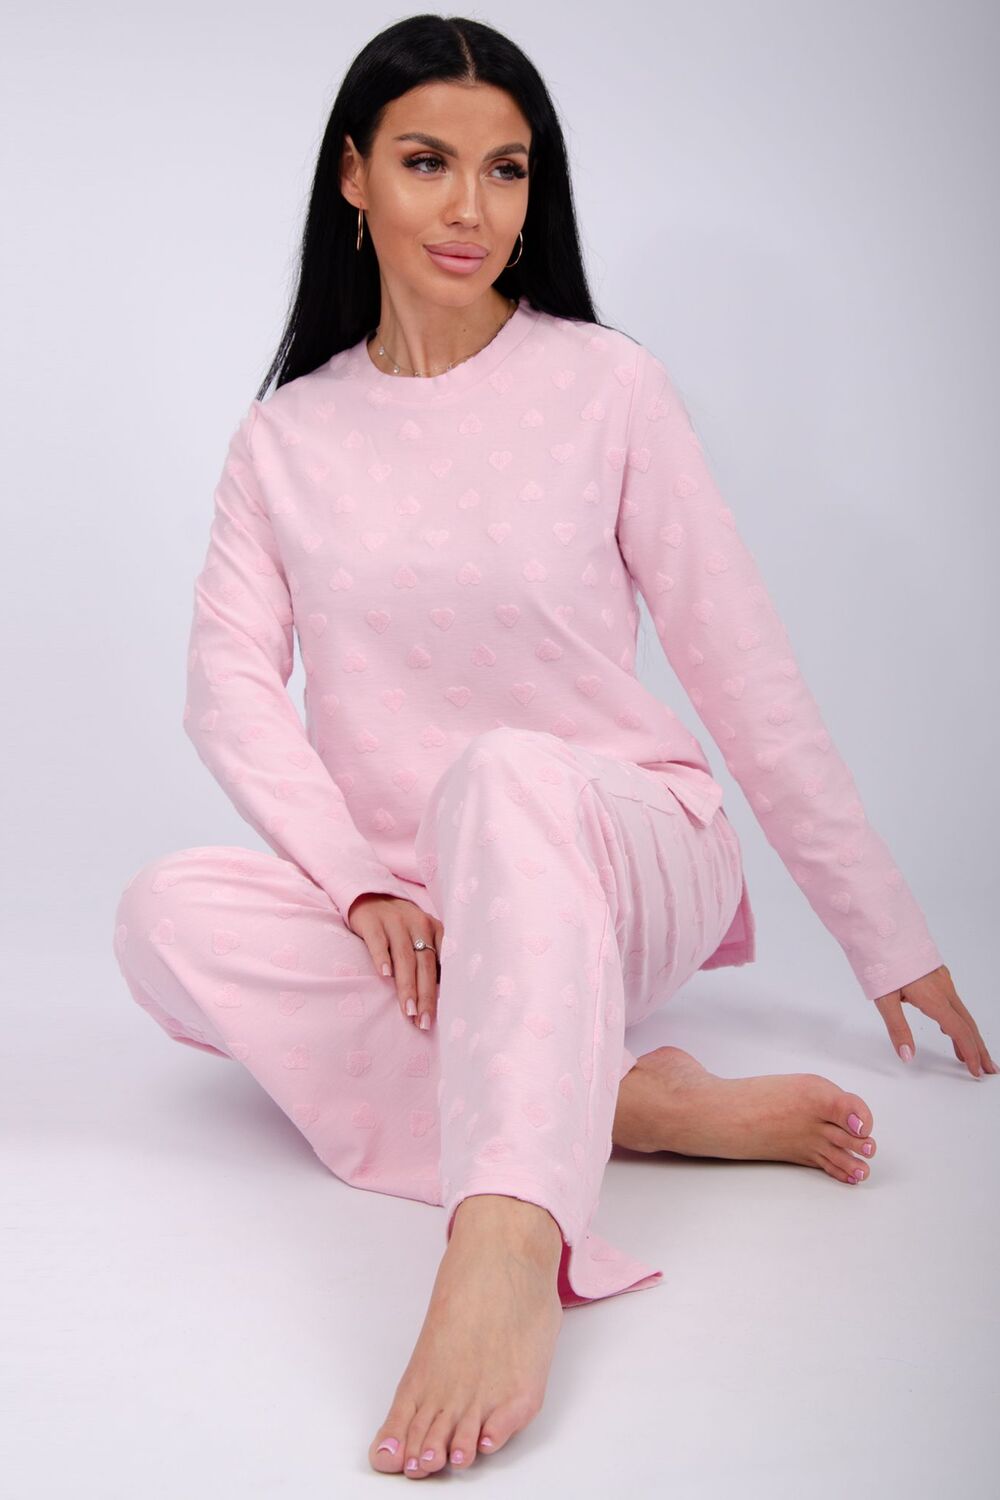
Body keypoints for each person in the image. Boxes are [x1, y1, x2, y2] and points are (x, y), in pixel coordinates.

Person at [110, 12, 996, 1481]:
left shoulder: (606, 386)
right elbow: (229, 693)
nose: (472, 207)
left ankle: (511, 1234)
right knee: (164, 914)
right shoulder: (284, 441)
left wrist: (887, 935)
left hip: (619, 849)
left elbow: (748, 677)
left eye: (508, 169)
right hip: (431, 914)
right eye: (427, 162)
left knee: (505, 770)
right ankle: (619, 1097)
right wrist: (357, 882)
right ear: (352, 178)